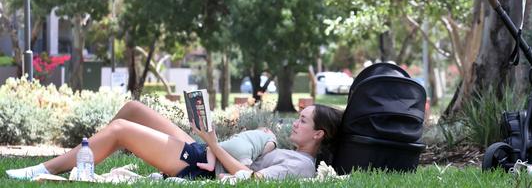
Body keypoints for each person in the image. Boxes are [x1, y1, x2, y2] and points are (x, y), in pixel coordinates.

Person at [5, 100, 343, 181]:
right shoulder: (290, 152)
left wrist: (211, 142)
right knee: (134, 109)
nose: (294, 123)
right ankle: (88, 159)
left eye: (302, 120)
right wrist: (264, 143)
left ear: (319, 134)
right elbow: (252, 162)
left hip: (200, 166)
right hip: (207, 152)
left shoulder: (301, 165)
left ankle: (42, 170)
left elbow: (250, 181)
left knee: (122, 129)